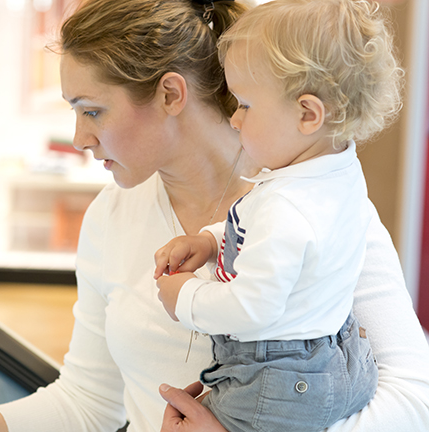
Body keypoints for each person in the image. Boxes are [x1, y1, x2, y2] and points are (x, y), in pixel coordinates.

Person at [0, 1, 429, 431]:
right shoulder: (113, 215)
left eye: (92, 111)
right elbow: (90, 402)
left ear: (169, 94)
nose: (79, 138)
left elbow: (414, 403)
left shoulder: (318, 205)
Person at [152, 0, 402, 430]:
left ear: (308, 114)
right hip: (340, 359)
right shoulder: (333, 171)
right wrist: (212, 241)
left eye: (246, 104)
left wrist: (185, 300)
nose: (234, 119)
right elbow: (279, 236)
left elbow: (252, 308)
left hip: (280, 381)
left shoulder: (287, 207)